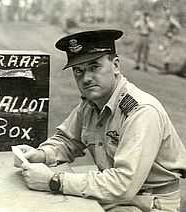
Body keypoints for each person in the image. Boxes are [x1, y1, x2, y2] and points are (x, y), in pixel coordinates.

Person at [14, 29, 186, 212]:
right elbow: (67, 140)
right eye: (78, 71)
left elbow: (123, 184)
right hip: (116, 198)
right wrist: (41, 154)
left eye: (94, 67)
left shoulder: (140, 111)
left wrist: (53, 181)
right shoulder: (91, 104)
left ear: (116, 66)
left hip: (150, 203)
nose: (86, 78)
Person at [159, 9, 181, 74]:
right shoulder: (164, 20)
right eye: (165, 13)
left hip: (169, 38)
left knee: (167, 53)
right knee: (164, 52)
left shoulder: (171, 20)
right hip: (164, 37)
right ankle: (164, 68)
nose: (166, 14)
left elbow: (178, 27)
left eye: (167, 13)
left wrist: (172, 33)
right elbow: (162, 29)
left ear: (169, 14)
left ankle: (166, 69)